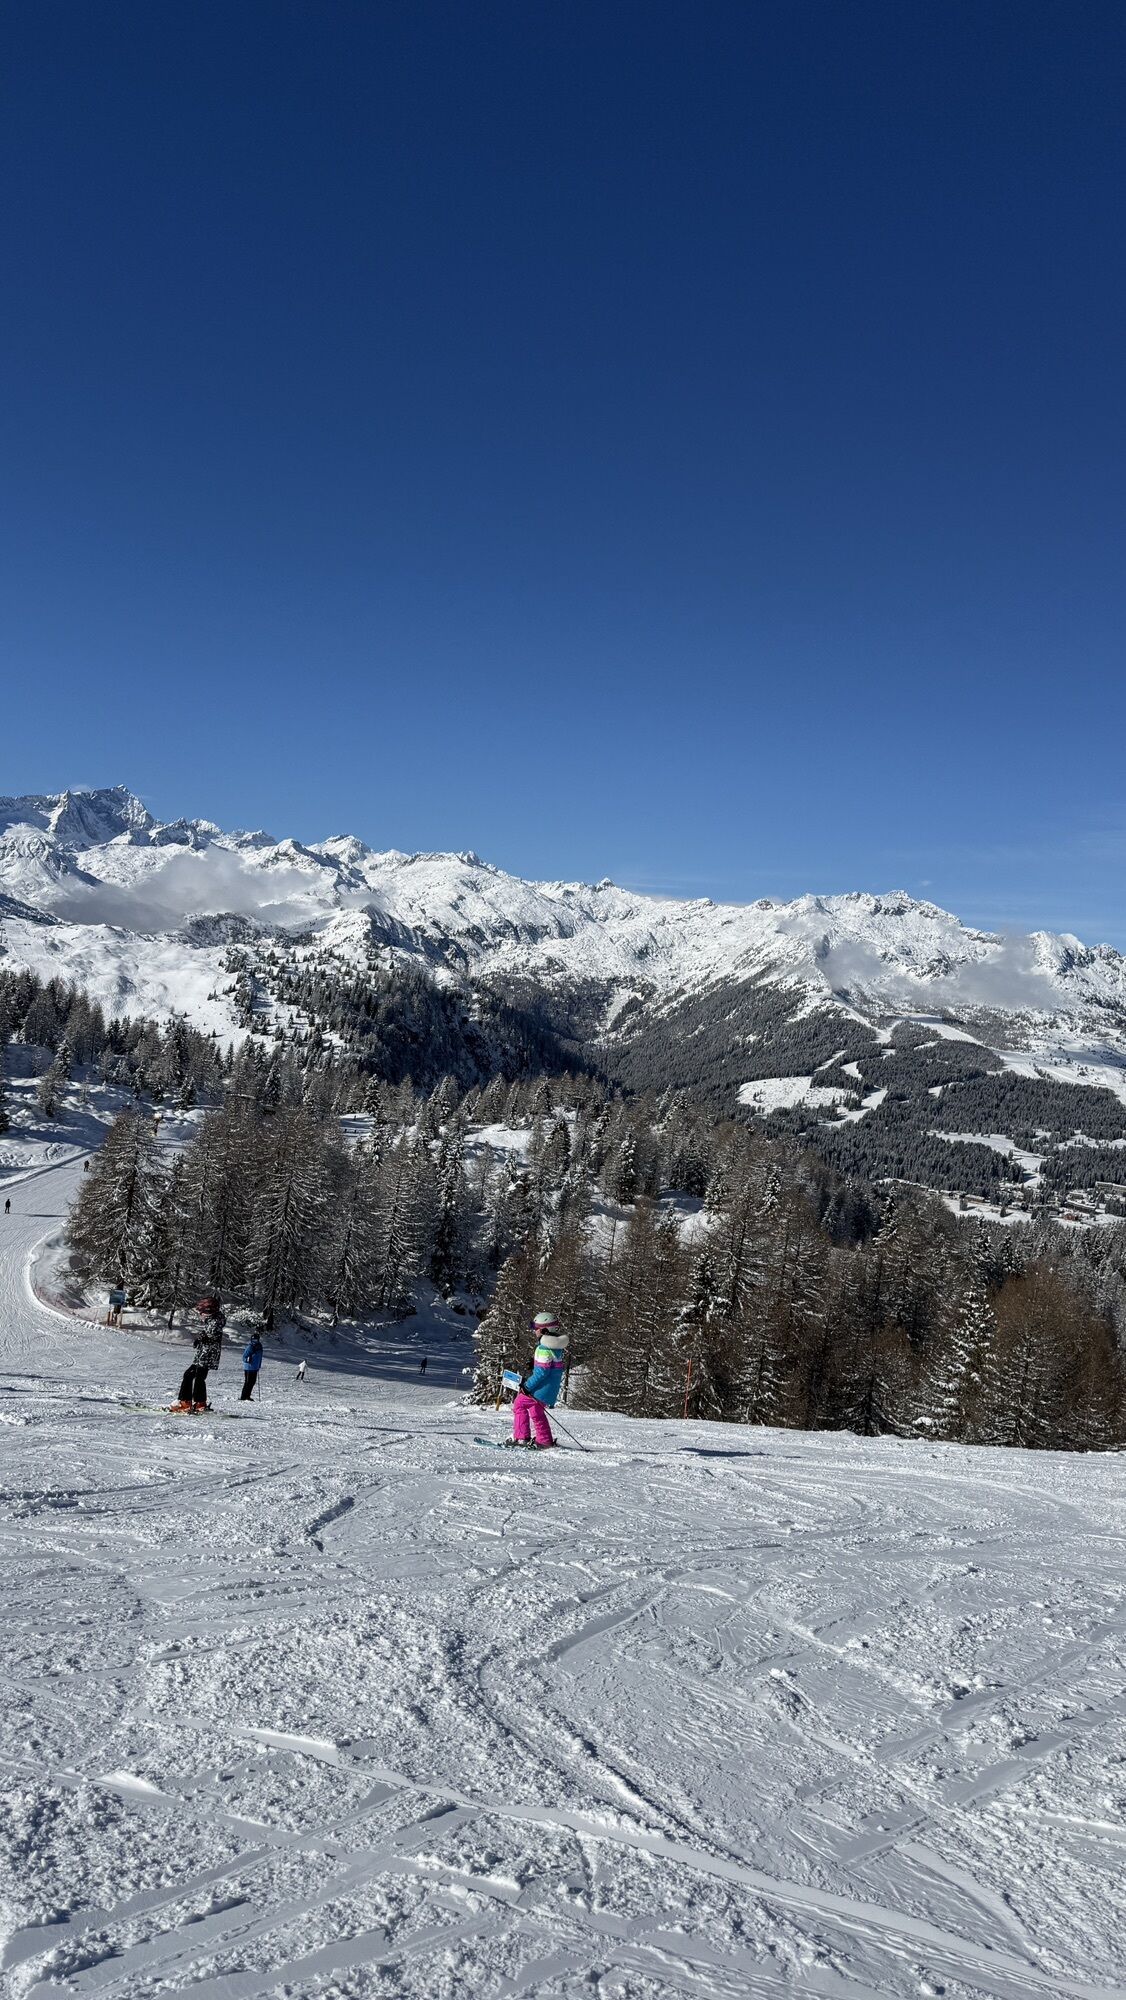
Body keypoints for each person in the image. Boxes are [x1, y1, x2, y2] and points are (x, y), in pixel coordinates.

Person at [508, 1312, 568, 1449]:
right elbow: (551, 1366)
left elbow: (542, 1373)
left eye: (536, 1328)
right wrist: (535, 1362)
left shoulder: (543, 1348)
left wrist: (527, 1386)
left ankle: (521, 1438)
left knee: (519, 1404)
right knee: (536, 1410)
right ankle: (544, 1441)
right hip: (551, 1389)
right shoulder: (556, 1347)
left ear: (544, 1330)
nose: (534, 1331)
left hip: (541, 1388)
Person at [175, 1296, 225, 1410]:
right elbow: (209, 1334)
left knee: (196, 1376)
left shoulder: (215, 1321)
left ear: (208, 1311)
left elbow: (214, 1335)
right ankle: (195, 1402)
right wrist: (201, 1338)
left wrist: (204, 1339)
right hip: (204, 1354)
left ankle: (191, 1403)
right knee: (193, 1375)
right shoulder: (212, 1320)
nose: (200, 1314)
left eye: (202, 1312)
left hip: (207, 1354)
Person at [241, 1332, 263, 1400]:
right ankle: (243, 1397)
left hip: (255, 1367)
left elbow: (259, 1357)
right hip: (249, 1368)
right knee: (248, 1382)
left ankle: (248, 1396)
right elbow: (244, 1357)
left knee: (252, 1382)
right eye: (253, 1340)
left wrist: (258, 1365)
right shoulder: (250, 1347)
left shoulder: (259, 1346)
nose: (255, 1341)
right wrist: (248, 1359)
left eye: (256, 1340)